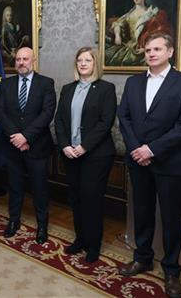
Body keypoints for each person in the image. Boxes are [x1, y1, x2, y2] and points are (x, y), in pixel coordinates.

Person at [117, 33, 181, 298]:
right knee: (142, 212)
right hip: (138, 162)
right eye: (148, 49)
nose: (151, 53)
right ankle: (143, 258)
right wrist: (136, 149)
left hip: (171, 164)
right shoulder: (133, 82)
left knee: (171, 218)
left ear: (170, 52)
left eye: (157, 49)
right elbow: (124, 117)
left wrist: (151, 149)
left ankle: (172, 270)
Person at [54, 47, 117, 263]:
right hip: (70, 154)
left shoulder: (106, 89)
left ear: (94, 63)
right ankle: (80, 239)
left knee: (92, 200)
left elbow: (105, 122)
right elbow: (60, 120)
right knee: (76, 198)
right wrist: (64, 145)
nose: (82, 63)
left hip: (96, 155)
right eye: (79, 60)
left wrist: (84, 146)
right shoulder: (68, 88)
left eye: (87, 60)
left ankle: (94, 244)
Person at [0, 47, 56, 244]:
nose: (21, 62)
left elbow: (47, 113)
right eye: (18, 59)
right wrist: (16, 136)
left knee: (40, 188)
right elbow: (0, 111)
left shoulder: (46, 83)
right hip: (12, 146)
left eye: (25, 59)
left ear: (33, 60)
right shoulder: (6, 83)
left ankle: (42, 226)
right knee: (14, 186)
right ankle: (13, 221)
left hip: (36, 147)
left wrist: (26, 137)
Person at [105, 0, 173, 66]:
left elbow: (158, 34)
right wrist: (117, 33)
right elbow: (118, 23)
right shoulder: (130, 13)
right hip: (128, 46)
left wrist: (145, 48)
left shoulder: (151, 13)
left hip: (142, 47)